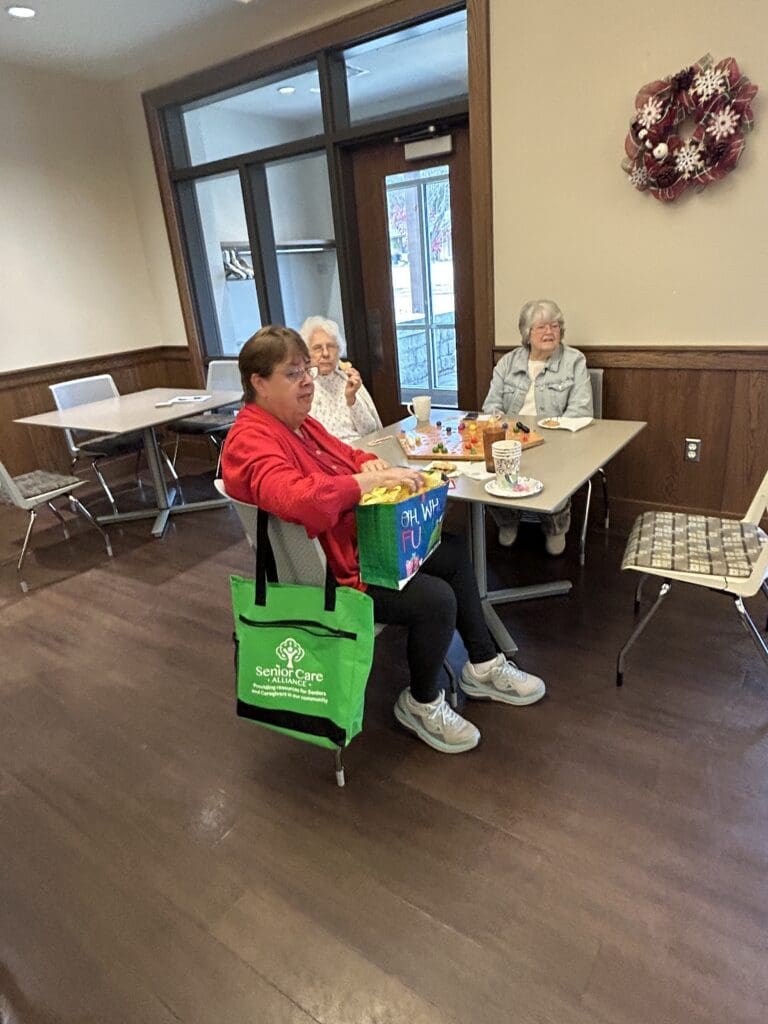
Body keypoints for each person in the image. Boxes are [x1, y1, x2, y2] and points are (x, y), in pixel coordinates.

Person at [222, 325, 546, 756]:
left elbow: (346, 454)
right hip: (330, 578)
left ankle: (483, 665)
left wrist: (368, 463)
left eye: (306, 371)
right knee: (436, 600)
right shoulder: (250, 439)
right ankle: (421, 703)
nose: (307, 382)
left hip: (357, 550)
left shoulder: (298, 424)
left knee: (451, 551)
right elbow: (300, 500)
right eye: (292, 373)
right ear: (258, 383)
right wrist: (364, 482)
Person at [482, 299, 593, 555]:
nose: (549, 332)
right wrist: (507, 433)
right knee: (491, 463)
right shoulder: (508, 363)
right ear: (527, 333)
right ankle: (507, 520)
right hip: (512, 440)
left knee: (558, 466)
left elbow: (580, 411)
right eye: (541, 327)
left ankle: (555, 527)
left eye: (555, 326)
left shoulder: (574, 361)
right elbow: (491, 407)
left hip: (557, 441)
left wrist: (550, 435)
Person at [299, 315, 382, 443]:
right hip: (328, 453)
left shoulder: (348, 381)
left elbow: (370, 431)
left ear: (339, 351)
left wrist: (352, 399)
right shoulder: (303, 388)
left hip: (361, 447)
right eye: (317, 348)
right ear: (307, 354)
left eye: (331, 346)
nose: (326, 353)